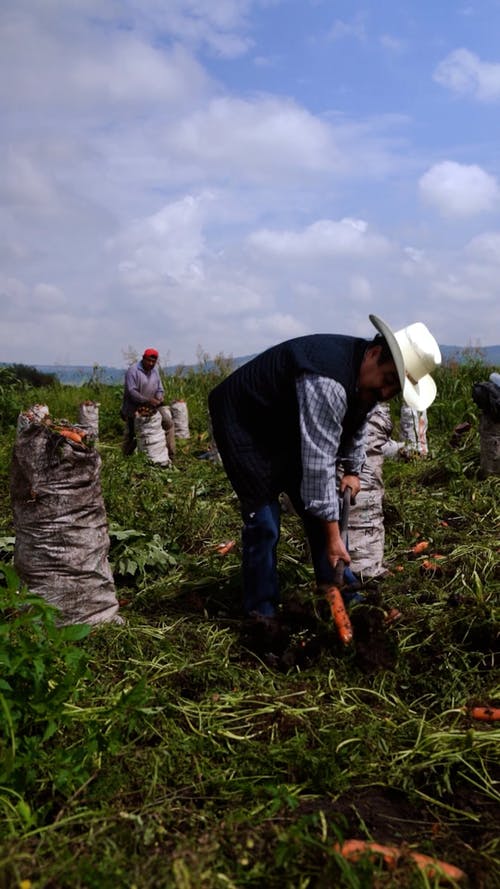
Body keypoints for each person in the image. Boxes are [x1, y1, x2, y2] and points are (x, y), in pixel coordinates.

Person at [208, 314, 441, 618]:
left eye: (394, 390)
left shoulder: (367, 381)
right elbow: (318, 468)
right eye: (387, 381)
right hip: (246, 422)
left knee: (321, 513)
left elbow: (356, 423)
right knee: (264, 523)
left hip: (285, 422)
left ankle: (338, 593)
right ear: (374, 354)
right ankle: (262, 614)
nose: (385, 394)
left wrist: (353, 470)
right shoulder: (327, 380)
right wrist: (333, 536)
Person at [121, 348, 175, 461]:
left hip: (153, 406)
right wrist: (147, 400)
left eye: (153, 362)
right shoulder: (133, 370)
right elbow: (132, 392)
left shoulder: (155, 371)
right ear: (143, 358)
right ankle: (125, 460)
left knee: (168, 424)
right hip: (134, 406)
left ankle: (171, 455)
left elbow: (160, 389)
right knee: (132, 435)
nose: (151, 364)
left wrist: (159, 397)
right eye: (149, 361)